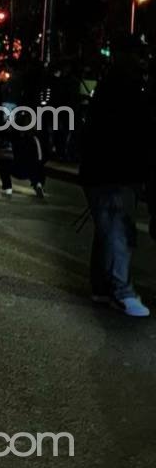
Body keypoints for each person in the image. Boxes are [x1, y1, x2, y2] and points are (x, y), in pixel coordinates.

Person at [78, 36, 151, 317]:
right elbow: (135, 131)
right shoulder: (127, 86)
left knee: (108, 230)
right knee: (119, 230)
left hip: (103, 170)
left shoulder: (111, 84)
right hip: (116, 171)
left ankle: (102, 287)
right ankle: (121, 291)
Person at [0, 123, 47, 198]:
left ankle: (7, 187)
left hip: (18, 170)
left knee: (2, 162)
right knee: (38, 165)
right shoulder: (36, 139)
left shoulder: (14, 136)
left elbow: (7, 152)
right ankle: (38, 184)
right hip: (33, 171)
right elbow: (42, 158)